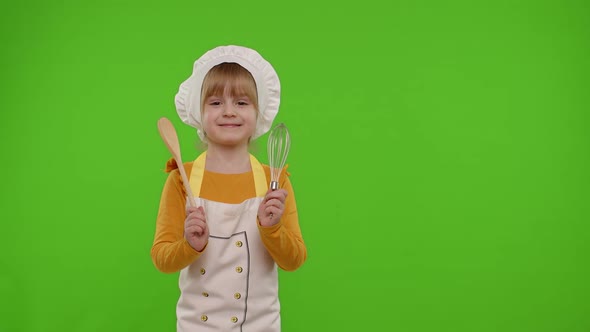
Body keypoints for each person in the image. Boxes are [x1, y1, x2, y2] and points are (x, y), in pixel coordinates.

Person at [151, 45, 307, 332]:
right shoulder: (181, 180)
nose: (228, 112)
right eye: (215, 103)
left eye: (242, 102)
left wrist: (271, 228)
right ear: (199, 112)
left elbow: (294, 260)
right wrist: (190, 245)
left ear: (259, 113)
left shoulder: (274, 179)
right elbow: (162, 259)